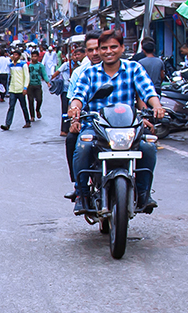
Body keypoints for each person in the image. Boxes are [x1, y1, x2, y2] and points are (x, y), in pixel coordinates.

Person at [66, 29, 165, 213]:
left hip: (128, 128)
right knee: (83, 147)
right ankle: (82, 194)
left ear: (122, 48)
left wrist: (157, 106)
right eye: (104, 48)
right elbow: (78, 96)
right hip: (96, 127)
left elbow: (148, 91)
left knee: (148, 147)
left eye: (113, 47)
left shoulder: (134, 69)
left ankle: (144, 193)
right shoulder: (89, 73)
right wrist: (75, 108)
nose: (108, 51)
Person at [2, 51, 31, 129]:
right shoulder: (11, 65)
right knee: (11, 107)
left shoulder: (23, 64)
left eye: (16, 55)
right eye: (14, 55)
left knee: (23, 106)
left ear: (19, 56)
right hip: (12, 89)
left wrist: (25, 87)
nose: (14, 56)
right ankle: (7, 124)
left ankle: (27, 121)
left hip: (20, 89)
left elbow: (27, 76)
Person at [27, 52, 47, 122]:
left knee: (39, 99)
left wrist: (48, 82)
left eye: (35, 56)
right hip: (30, 85)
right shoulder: (28, 65)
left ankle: (37, 110)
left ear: (38, 57)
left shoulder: (40, 66)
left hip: (37, 84)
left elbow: (44, 74)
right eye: (32, 56)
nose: (34, 58)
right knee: (30, 101)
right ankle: (32, 116)